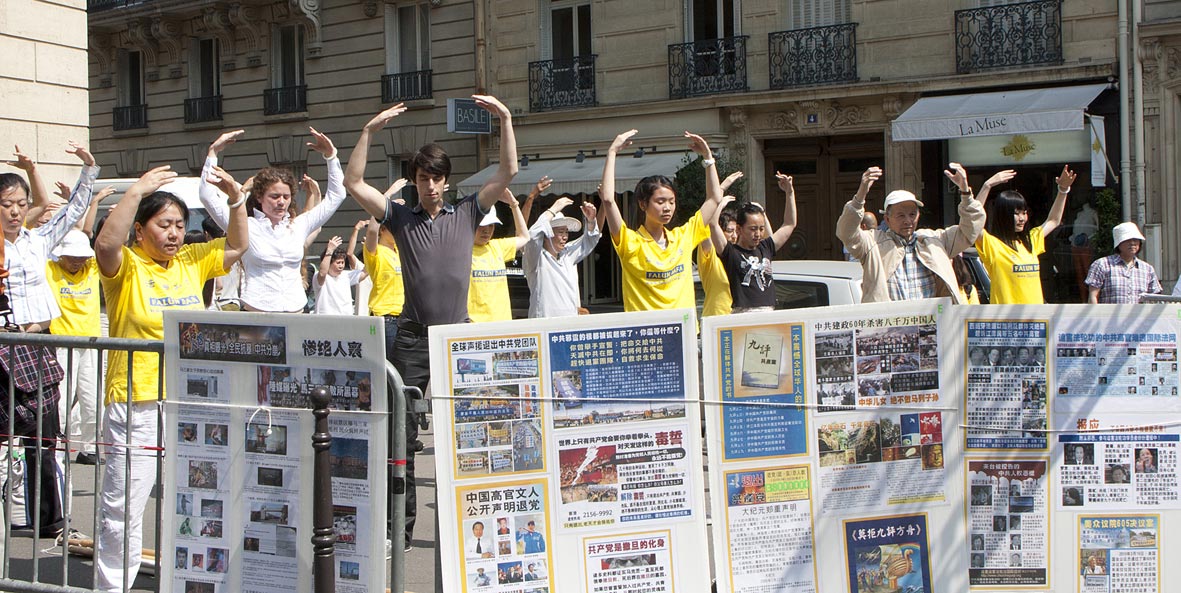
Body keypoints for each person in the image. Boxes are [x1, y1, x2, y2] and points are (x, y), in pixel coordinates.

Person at [345, 96, 517, 552]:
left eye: (437, 178)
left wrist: (504, 119)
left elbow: (507, 172)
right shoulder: (400, 217)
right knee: (399, 440)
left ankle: (475, 537)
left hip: (458, 341)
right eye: (423, 178)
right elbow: (353, 182)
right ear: (416, 181)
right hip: (412, 340)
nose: (431, 185)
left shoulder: (468, 212)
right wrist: (369, 131)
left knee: (473, 437)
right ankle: (398, 534)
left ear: (446, 180)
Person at [94, 164, 247, 593]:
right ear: (139, 231)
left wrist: (236, 200)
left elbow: (238, 245)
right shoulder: (126, 265)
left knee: (197, 499)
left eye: (179, 224)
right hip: (137, 401)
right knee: (124, 504)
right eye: (163, 225)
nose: (174, 233)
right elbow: (106, 243)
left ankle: (187, 580)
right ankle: (112, 587)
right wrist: (135, 191)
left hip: (191, 400)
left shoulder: (191, 261)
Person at [3, 142, 99, 543]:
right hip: (3, 345)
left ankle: (50, 518)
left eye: (20, 204)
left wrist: (88, 169)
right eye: (7, 204)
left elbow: (73, 211)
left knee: (44, 436)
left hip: (38, 344)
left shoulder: (37, 240)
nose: (15, 211)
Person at [200, 127, 344, 312]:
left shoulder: (299, 225)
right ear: (259, 197)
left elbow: (337, 196)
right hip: (258, 313)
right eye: (274, 196)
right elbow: (207, 195)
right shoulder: (245, 226)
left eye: (286, 196)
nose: (281, 202)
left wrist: (331, 157)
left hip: (296, 311)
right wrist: (213, 152)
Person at [599, 129, 723, 312]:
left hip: (683, 327)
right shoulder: (630, 242)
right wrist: (612, 152)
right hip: (646, 329)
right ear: (643, 204)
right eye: (660, 202)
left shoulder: (684, 236)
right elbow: (608, 200)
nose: (667, 207)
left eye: (671, 202)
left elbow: (714, 199)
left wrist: (708, 158)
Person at [836, 164, 984, 303]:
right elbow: (846, 233)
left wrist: (965, 192)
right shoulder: (873, 242)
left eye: (912, 214)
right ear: (887, 219)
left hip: (932, 319)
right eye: (901, 215)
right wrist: (860, 197)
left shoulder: (935, 240)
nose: (908, 221)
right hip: (891, 321)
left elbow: (969, 231)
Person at [974, 166, 1075, 304]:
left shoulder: (1031, 240)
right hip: (1006, 316)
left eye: (1024, 212)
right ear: (1003, 215)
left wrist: (1063, 190)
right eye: (1016, 213)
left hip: (1035, 316)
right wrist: (987, 185)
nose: (1022, 218)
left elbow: (1053, 220)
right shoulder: (992, 244)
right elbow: (974, 221)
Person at [48, 229, 105, 466]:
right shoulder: (50, 269)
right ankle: (56, 449)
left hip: (90, 344)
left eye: (81, 257)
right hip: (61, 345)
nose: (77, 261)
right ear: (61, 254)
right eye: (72, 256)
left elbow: (103, 240)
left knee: (93, 401)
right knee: (60, 403)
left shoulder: (92, 269)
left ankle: (89, 448)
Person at [709, 172, 797, 313]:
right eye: (753, 229)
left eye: (761, 228)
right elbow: (712, 223)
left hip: (768, 312)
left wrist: (789, 193)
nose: (758, 234)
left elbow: (789, 224)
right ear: (739, 229)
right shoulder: (731, 252)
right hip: (743, 313)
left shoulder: (765, 247)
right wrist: (721, 194)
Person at [522, 195, 603, 317]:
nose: (565, 237)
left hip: (570, 324)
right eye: (560, 232)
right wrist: (553, 210)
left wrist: (591, 221)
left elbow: (590, 239)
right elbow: (532, 236)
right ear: (547, 234)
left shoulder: (567, 254)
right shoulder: (536, 258)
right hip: (544, 325)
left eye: (566, 232)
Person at [468, 190, 528, 322]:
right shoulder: (461, 250)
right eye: (482, 225)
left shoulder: (498, 247)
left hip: (502, 325)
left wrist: (514, 205)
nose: (487, 230)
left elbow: (524, 237)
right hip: (474, 327)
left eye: (491, 225)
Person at [1085, 222, 1162, 304]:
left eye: (1136, 240)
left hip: (1138, 312)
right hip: (1110, 312)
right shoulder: (1102, 264)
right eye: (1128, 240)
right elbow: (1093, 296)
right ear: (1118, 243)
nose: (1132, 243)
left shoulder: (1147, 269)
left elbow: (1154, 299)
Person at [698, 195, 738, 317]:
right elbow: (703, 223)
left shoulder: (739, 256)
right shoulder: (710, 255)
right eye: (730, 231)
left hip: (738, 319)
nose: (734, 236)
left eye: (737, 231)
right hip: (715, 319)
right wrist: (719, 204)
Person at [312, 235, 366, 315]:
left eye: (342, 262)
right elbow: (322, 273)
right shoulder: (320, 277)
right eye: (338, 263)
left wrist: (369, 252)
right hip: (326, 319)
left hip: (346, 319)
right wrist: (329, 251)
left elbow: (365, 272)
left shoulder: (346, 275)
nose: (341, 266)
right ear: (329, 263)